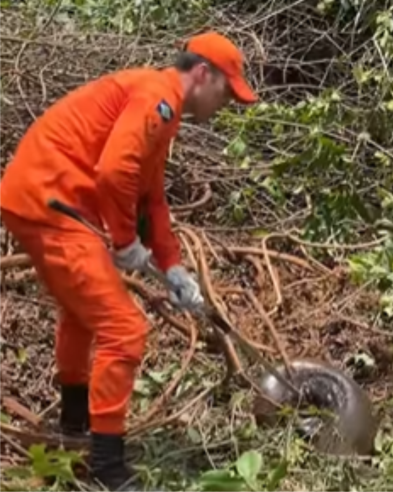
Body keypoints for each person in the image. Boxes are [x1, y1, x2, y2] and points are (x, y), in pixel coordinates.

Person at [0, 31, 257, 492]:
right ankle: (108, 466)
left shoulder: (162, 108)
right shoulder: (156, 98)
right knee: (126, 329)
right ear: (203, 74)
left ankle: (74, 425)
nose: (225, 104)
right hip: (50, 202)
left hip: (38, 199)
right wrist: (124, 242)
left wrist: (173, 266)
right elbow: (115, 172)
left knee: (83, 317)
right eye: (226, 91)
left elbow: (150, 197)